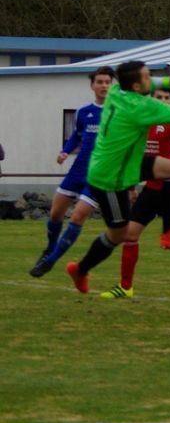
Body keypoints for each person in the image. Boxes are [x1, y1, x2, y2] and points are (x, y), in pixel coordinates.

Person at [64, 63, 170, 294]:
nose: (154, 80)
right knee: (119, 234)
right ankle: (81, 269)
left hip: (124, 164)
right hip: (112, 178)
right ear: (138, 86)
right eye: (148, 76)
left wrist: (169, 82)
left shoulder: (118, 92)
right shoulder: (143, 107)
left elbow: (149, 84)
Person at [99, 86, 170, 299]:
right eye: (158, 97)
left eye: (166, 98)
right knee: (130, 234)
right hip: (150, 190)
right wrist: (132, 187)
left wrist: (168, 164)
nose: (162, 100)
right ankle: (126, 287)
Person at [30, 66, 115, 277]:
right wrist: (64, 151)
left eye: (107, 82)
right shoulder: (83, 112)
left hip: (99, 175)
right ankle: (50, 248)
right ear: (92, 85)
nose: (104, 85)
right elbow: (76, 136)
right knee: (56, 213)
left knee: (77, 217)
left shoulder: (117, 112)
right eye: (100, 82)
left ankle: (51, 261)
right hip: (78, 171)